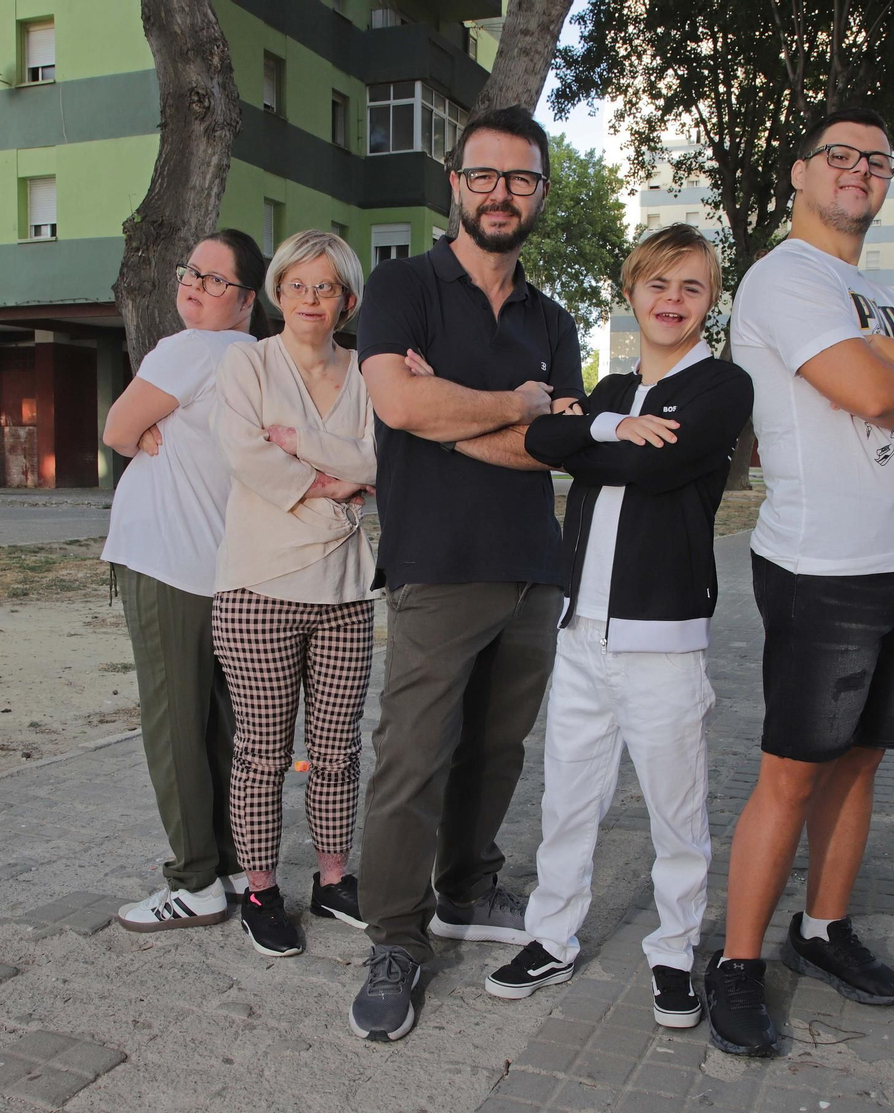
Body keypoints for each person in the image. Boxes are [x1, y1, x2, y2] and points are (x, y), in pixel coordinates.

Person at [709, 107, 894, 1056]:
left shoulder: (884, 296)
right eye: (840, 155)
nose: (859, 170)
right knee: (790, 773)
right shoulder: (783, 278)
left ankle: (822, 930)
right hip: (821, 566)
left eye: (876, 159)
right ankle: (738, 964)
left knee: (863, 759)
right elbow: (884, 397)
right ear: (800, 173)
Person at [348, 105, 583, 1042]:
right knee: (411, 755)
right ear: (455, 184)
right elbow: (398, 405)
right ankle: (396, 937)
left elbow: (555, 445)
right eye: (484, 176)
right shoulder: (403, 286)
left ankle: (467, 889)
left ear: (540, 194)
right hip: (438, 567)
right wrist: (510, 405)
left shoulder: (552, 316)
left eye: (520, 179)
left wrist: (456, 415)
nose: (500, 194)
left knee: (496, 749)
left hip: (534, 566)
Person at [489, 225, 752, 1028]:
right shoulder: (609, 391)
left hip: (663, 643)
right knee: (568, 800)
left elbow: (654, 465)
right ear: (633, 292)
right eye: (658, 285)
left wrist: (585, 442)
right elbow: (542, 438)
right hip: (581, 636)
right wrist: (602, 428)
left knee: (678, 811)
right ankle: (554, 935)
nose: (672, 301)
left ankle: (675, 949)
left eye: (692, 288)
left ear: (711, 301)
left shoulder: (723, 387)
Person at [209, 229, 379, 958]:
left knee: (338, 748)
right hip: (259, 586)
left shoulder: (371, 373)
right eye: (298, 285)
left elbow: (381, 456)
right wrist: (333, 480)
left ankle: (334, 876)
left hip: (346, 589)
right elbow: (246, 452)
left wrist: (306, 445)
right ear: (277, 292)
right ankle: (260, 889)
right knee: (263, 752)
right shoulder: (248, 365)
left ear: (348, 297)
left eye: (327, 287)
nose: (312, 300)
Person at [101, 229, 273, 932]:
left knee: (174, 725)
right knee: (218, 727)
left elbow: (116, 425)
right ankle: (231, 861)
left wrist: (138, 432)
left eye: (216, 281)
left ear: (246, 301)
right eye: (191, 273)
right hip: (223, 569)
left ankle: (193, 880)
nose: (195, 287)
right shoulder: (262, 361)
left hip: (165, 563)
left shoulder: (186, 350)